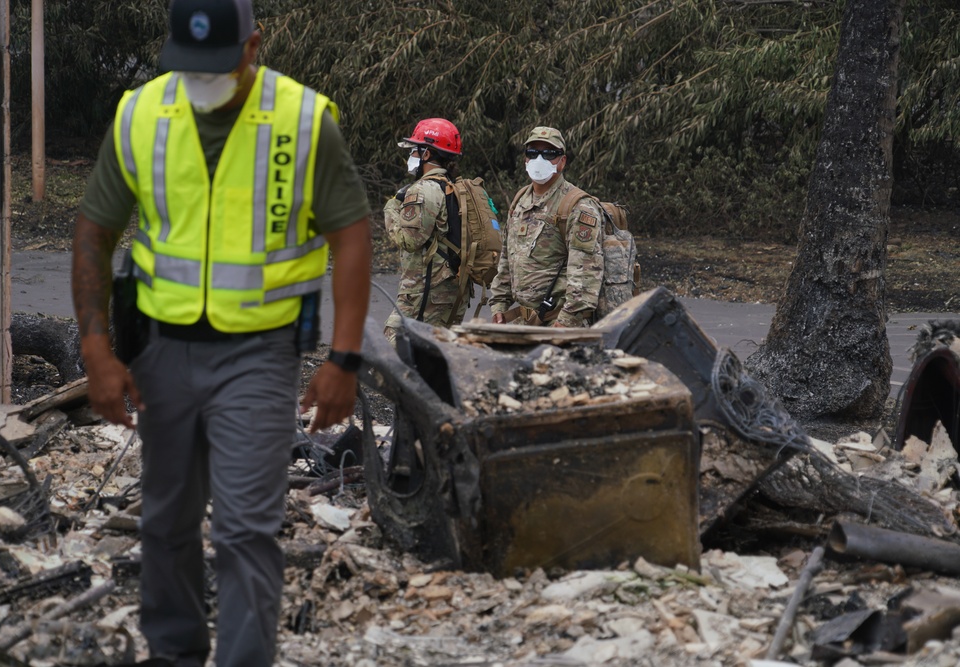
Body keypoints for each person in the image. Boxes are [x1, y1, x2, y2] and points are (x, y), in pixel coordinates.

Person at [70, 0, 372, 665]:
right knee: (166, 521)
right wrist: (97, 348)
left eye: (215, 66)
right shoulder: (142, 113)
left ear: (252, 46)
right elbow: (95, 229)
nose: (199, 79)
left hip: (259, 355)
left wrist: (343, 357)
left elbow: (350, 233)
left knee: (245, 529)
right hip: (161, 351)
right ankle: (175, 651)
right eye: (187, 66)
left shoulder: (301, 119)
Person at [489, 126, 604, 328]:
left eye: (549, 153)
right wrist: (499, 304)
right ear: (525, 159)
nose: (539, 160)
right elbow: (508, 257)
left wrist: (567, 322)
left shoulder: (578, 206)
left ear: (562, 161)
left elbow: (586, 272)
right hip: (525, 321)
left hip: (559, 323)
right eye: (533, 153)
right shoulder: (520, 199)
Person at [382, 118, 468, 342]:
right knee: (436, 357)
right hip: (454, 292)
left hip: (424, 294)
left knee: (392, 355)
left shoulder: (423, 189)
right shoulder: (458, 188)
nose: (411, 156)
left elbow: (409, 240)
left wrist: (391, 208)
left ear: (427, 154)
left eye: (414, 151)